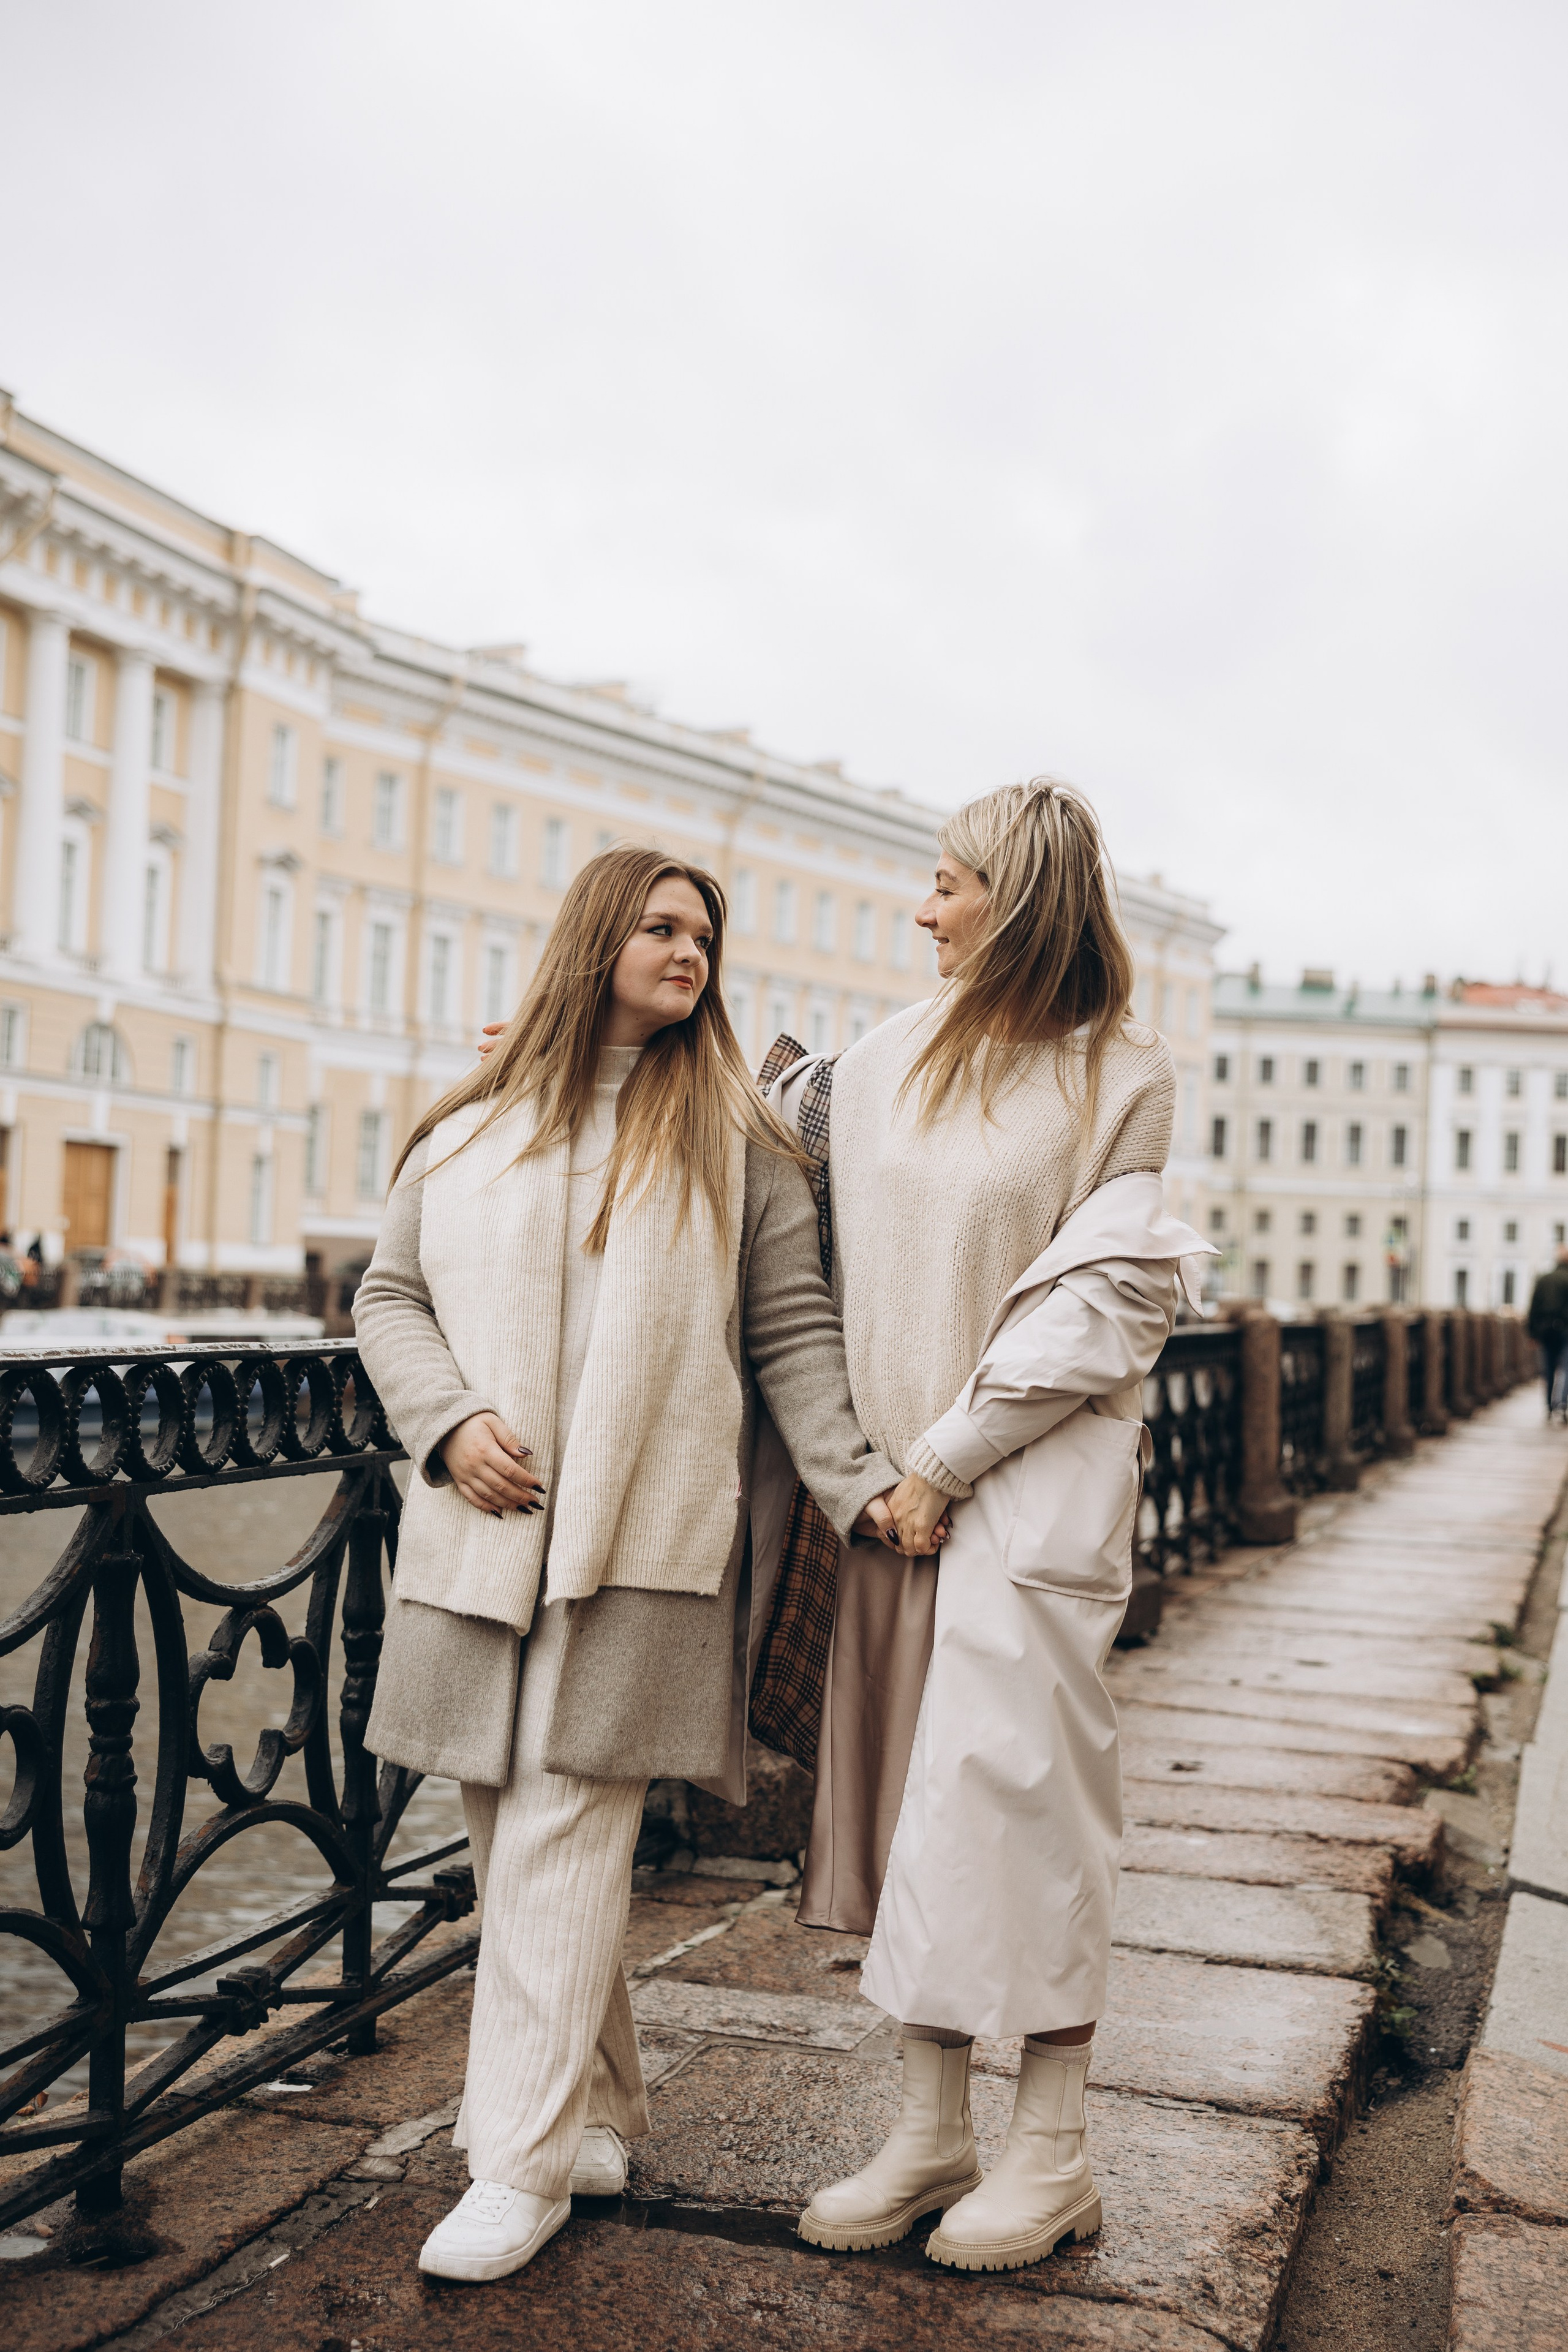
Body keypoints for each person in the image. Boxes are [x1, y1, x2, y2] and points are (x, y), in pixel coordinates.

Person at [355, 846, 911, 2285]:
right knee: (515, 1836)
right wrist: (449, 1419)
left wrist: (865, 1490)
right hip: (477, 1546)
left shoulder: (736, 1140)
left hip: (646, 1551)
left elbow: (790, 1336)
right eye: (661, 926)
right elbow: (389, 1294)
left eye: (704, 935)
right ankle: (592, 2115)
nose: (689, 952)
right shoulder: (471, 1125)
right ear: (592, 934)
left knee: (557, 1827)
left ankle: (512, 2163)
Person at [782, 779, 1210, 2273]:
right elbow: (747, 1149)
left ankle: (1051, 2149)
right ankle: (924, 2130)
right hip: (885, 1505)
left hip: (1014, 1500)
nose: (923, 906)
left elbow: (1108, 1303)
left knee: (1024, 1816)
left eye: (950, 881)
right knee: (910, 1813)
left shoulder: (1120, 1078)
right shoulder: (881, 1055)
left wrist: (947, 1459)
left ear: (1020, 897)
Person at [1527, 1243, 1568, 1421]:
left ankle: (1549, 1406)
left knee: (1549, 1368)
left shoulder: (1544, 1279)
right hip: (1566, 1330)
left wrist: (1532, 1333)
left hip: (1545, 1330)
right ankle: (1563, 1403)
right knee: (1566, 1368)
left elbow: (1534, 1307)